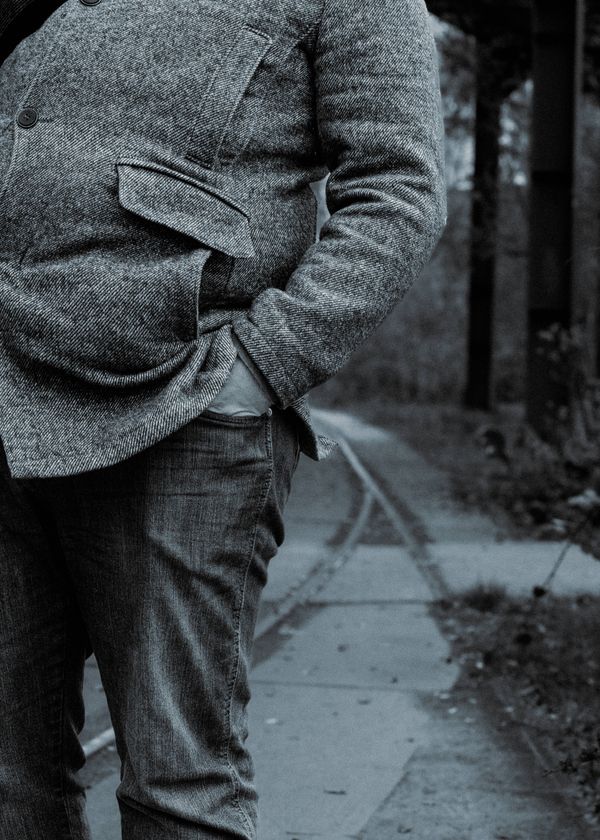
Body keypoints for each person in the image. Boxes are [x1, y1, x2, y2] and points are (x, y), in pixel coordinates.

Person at [0, 0, 447, 837]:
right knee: (7, 784)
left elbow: (401, 191)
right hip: (4, 396)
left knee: (179, 787)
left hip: (182, 417)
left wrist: (262, 366)